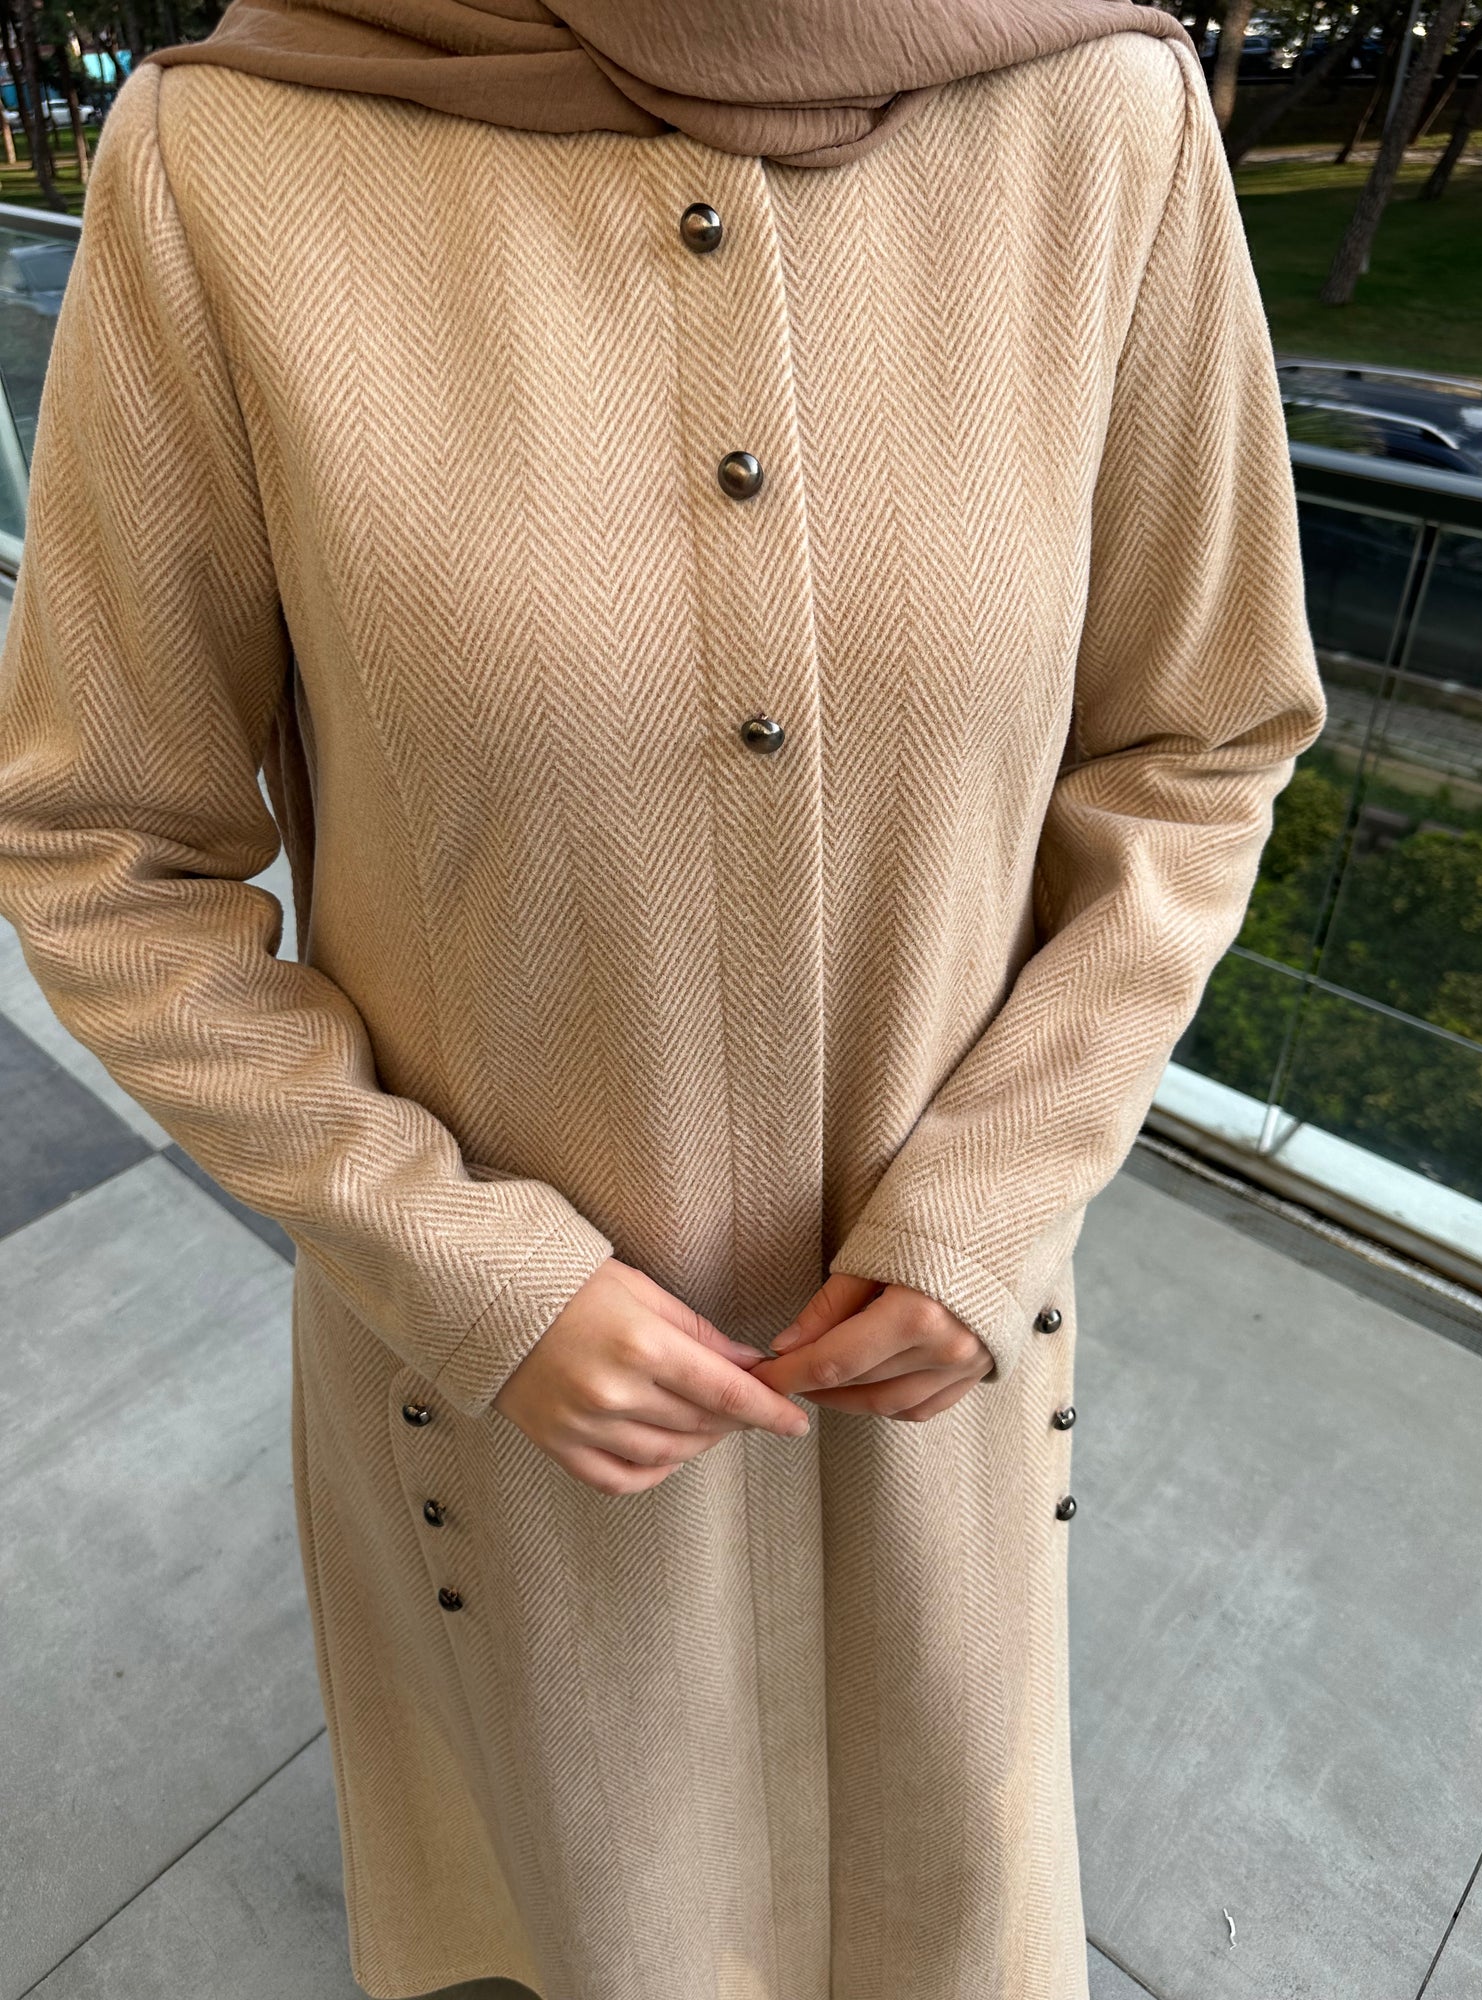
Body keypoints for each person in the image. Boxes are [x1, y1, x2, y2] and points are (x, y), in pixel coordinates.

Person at [0, 3, 1327, 1995]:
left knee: (941, 1902)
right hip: (503, 1432)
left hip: (940, 1407)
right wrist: (463, 1263)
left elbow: (1200, 745)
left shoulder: (1106, 126)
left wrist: (996, 1192)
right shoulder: (225, 164)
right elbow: (102, 849)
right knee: (580, 1910)